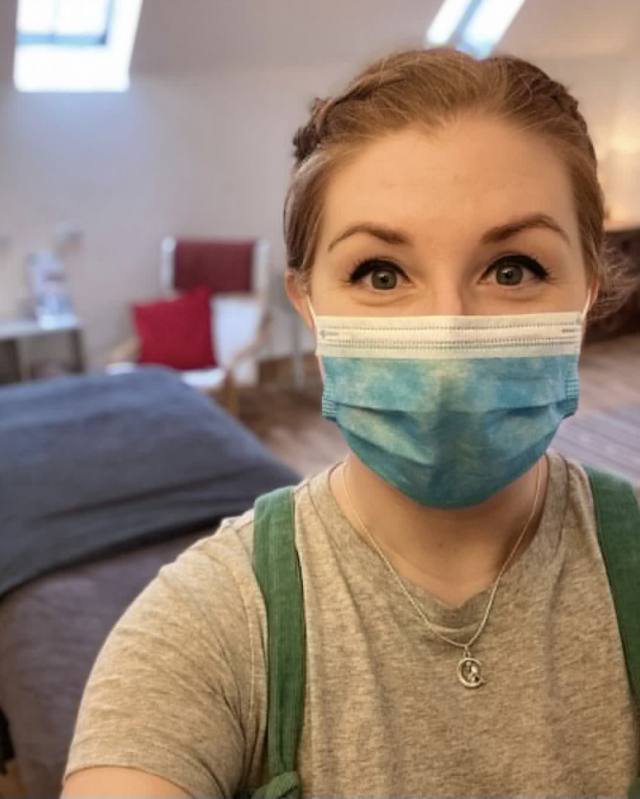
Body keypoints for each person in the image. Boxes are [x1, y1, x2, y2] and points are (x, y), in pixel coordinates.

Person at [61, 47, 639, 799]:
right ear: (309, 305)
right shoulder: (209, 621)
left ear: (588, 292)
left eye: (513, 269)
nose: (446, 338)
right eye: (381, 274)